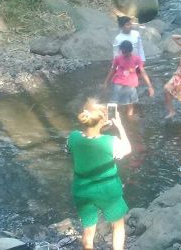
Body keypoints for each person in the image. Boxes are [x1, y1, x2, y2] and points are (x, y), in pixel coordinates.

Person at [67, 100, 132, 250]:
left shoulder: (73, 137)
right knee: (118, 226)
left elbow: (69, 150)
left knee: (88, 232)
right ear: (103, 121)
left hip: (82, 191)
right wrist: (120, 126)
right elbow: (127, 149)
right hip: (108, 191)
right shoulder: (110, 141)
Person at [104, 41, 155, 116]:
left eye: (126, 52)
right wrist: (106, 82)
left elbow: (143, 72)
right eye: (123, 52)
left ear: (130, 51)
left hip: (131, 85)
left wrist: (150, 86)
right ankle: (111, 119)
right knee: (113, 103)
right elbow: (113, 70)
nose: (124, 54)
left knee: (130, 105)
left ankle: (129, 120)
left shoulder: (136, 59)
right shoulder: (118, 58)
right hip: (118, 83)